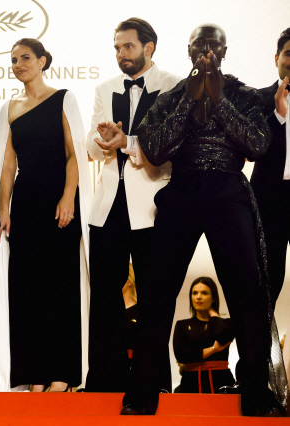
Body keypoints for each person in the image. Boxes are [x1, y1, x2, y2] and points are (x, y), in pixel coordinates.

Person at [122, 24, 285, 417]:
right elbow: (155, 149)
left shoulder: (244, 94)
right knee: (156, 292)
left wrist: (219, 99)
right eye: (200, 45)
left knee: (247, 292)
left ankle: (255, 394)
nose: (207, 52)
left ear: (225, 51)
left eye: (214, 45)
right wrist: (190, 100)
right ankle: (142, 395)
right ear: (189, 50)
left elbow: (257, 145)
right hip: (181, 191)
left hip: (228, 190)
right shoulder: (172, 96)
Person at [0, 38, 91, 392]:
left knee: (60, 287)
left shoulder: (64, 98)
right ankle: (33, 376)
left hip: (59, 201)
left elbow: (74, 153)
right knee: (26, 290)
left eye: (25, 58)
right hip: (26, 203)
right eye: (14, 60)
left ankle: (61, 375)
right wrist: (3, 208)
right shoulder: (8, 107)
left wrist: (68, 197)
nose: (18, 65)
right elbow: (7, 164)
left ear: (43, 61)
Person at [84, 18, 181, 393]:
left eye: (128, 46)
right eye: (117, 47)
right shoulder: (104, 88)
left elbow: (169, 145)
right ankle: (103, 382)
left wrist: (126, 141)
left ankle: (152, 382)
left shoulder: (173, 85)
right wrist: (102, 140)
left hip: (154, 207)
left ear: (149, 47)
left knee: (154, 299)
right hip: (108, 207)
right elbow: (92, 146)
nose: (121, 54)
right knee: (103, 298)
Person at [250, 28, 290, 307]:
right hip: (269, 202)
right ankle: (261, 337)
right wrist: (278, 116)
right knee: (265, 282)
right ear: (277, 58)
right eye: (288, 53)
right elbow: (253, 150)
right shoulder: (256, 99)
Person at [173, 277, 235, 394]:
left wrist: (213, 314)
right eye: (194, 293)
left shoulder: (226, 323)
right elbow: (181, 356)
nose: (198, 297)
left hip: (221, 380)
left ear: (213, 298)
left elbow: (223, 337)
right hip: (191, 382)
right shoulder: (182, 325)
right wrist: (213, 349)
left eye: (204, 293)